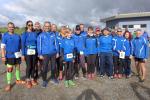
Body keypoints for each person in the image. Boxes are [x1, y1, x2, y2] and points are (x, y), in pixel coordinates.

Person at [1, 22, 25, 92]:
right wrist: (3, 56)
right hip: (9, 55)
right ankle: (9, 84)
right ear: (8, 28)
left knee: (17, 68)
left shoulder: (17, 36)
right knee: (9, 70)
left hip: (17, 55)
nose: (11, 28)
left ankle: (18, 80)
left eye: (12, 27)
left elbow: (20, 46)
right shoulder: (5, 36)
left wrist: (22, 54)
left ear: (14, 27)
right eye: (10, 27)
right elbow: (2, 47)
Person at [37, 21, 59, 88]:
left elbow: (56, 44)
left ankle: (52, 78)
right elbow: (39, 45)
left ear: (50, 27)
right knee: (45, 68)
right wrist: (40, 54)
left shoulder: (53, 34)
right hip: (45, 54)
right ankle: (44, 80)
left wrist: (57, 52)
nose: (47, 27)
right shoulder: (41, 35)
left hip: (53, 53)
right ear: (44, 27)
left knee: (53, 67)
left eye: (48, 26)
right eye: (46, 26)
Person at [21, 20, 38, 89]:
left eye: (31, 25)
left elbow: (36, 43)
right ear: (27, 26)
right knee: (29, 66)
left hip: (34, 52)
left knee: (33, 66)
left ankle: (32, 79)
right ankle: (28, 80)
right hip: (27, 52)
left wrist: (37, 52)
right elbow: (22, 44)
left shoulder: (34, 33)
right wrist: (22, 54)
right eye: (29, 25)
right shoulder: (24, 34)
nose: (30, 26)